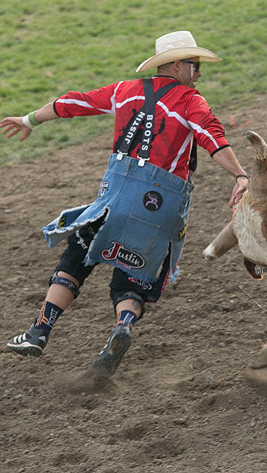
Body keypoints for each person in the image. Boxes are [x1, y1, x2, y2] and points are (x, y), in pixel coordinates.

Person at [0, 31, 249, 376]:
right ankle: (123, 326)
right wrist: (240, 175)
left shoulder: (123, 90)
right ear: (176, 65)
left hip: (114, 198)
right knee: (133, 275)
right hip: (163, 206)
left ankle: (39, 331)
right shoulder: (192, 101)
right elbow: (213, 138)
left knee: (77, 257)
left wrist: (28, 120)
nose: (199, 73)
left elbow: (73, 103)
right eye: (195, 65)